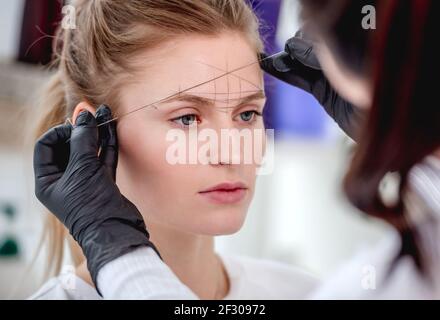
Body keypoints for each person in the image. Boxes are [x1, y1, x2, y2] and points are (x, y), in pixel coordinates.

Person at [29, 0, 318, 300]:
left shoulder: (309, 293)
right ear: (90, 134)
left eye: (247, 114)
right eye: (187, 118)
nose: (233, 153)